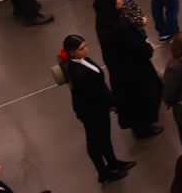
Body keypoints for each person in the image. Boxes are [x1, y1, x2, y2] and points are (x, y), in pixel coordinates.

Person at [57, 34, 134, 184]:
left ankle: (112, 162)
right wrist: (112, 102)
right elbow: (94, 92)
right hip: (91, 111)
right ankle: (103, 173)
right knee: (95, 140)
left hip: (98, 107)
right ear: (72, 53)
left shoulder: (82, 60)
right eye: (82, 48)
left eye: (85, 45)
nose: (86, 50)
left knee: (104, 136)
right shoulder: (77, 71)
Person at [93, 0, 164, 138]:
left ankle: (140, 124)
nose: (121, 0)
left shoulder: (105, 21)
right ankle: (143, 128)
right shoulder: (118, 28)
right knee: (140, 98)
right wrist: (146, 47)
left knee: (135, 99)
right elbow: (135, 47)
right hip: (132, 71)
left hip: (124, 70)